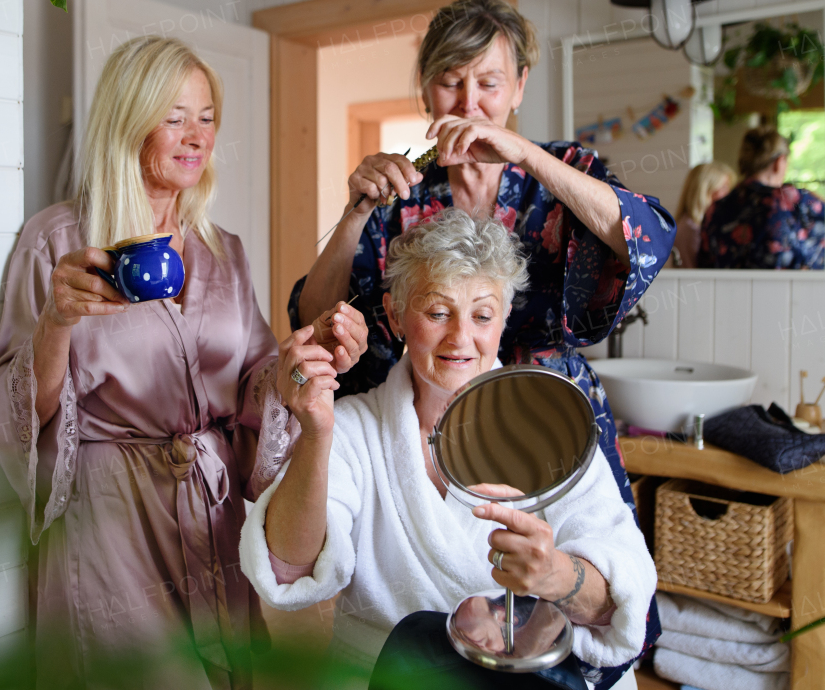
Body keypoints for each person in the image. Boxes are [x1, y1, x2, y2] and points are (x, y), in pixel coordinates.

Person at [0, 36, 367, 689]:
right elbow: (17, 413)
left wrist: (306, 356)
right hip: (111, 518)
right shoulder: (59, 242)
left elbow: (254, 383)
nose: (196, 136)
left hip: (208, 515)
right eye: (174, 116)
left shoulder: (225, 251)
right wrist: (57, 321)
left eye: (207, 116)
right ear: (128, 120)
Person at [290, 0, 672, 573]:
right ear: (425, 91)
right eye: (450, 82)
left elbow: (645, 235)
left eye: (489, 84)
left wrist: (524, 153)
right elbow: (316, 318)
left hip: (550, 409)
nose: (470, 104)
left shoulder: (563, 169)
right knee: (445, 583)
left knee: (579, 575)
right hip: (432, 415)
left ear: (519, 86)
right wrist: (354, 214)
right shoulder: (403, 188)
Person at [242, 211, 656, 689]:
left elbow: (619, 593)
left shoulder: (550, 422)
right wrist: (315, 431)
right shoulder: (354, 429)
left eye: (482, 315)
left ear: (503, 318)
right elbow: (290, 569)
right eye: (437, 312)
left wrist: (558, 577)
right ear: (395, 315)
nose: (461, 338)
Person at [698, 127, 825, 269]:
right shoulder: (790, 200)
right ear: (779, 162)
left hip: (725, 290)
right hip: (783, 289)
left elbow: (704, 263)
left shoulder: (715, 208)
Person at [671, 162, 736, 268]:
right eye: (724, 187)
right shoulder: (692, 229)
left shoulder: (693, 225)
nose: (728, 193)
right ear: (705, 190)